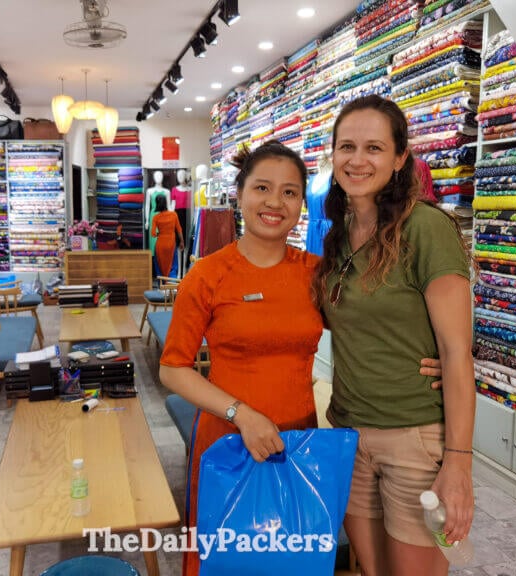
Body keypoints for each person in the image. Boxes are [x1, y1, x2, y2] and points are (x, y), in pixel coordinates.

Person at [159, 140, 443, 576]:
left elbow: (367, 326)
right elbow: (173, 368)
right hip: (227, 440)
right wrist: (242, 414)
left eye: (290, 192)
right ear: (240, 195)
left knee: (293, 556)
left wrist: (432, 355)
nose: (275, 202)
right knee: (226, 559)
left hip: (299, 442)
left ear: (302, 203)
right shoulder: (208, 274)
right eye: (262, 189)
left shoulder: (317, 272)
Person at [313, 95, 475, 576]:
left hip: (415, 440)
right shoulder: (338, 233)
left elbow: (456, 352)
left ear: (400, 158)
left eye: (374, 148)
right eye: (346, 146)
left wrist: (458, 464)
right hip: (348, 432)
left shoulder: (426, 227)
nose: (357, 160)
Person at [150, 194, 183, 279]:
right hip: (171, 244)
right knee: (172, 266)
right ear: (166, 203)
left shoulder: (155, 218)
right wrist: (182, 242)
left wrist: (160, 234)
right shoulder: (174, 215)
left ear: (157, 204)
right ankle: (171, 288)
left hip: (160, 245)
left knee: (159, 269)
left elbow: (153, 234)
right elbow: (179, 229)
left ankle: (161, 289)